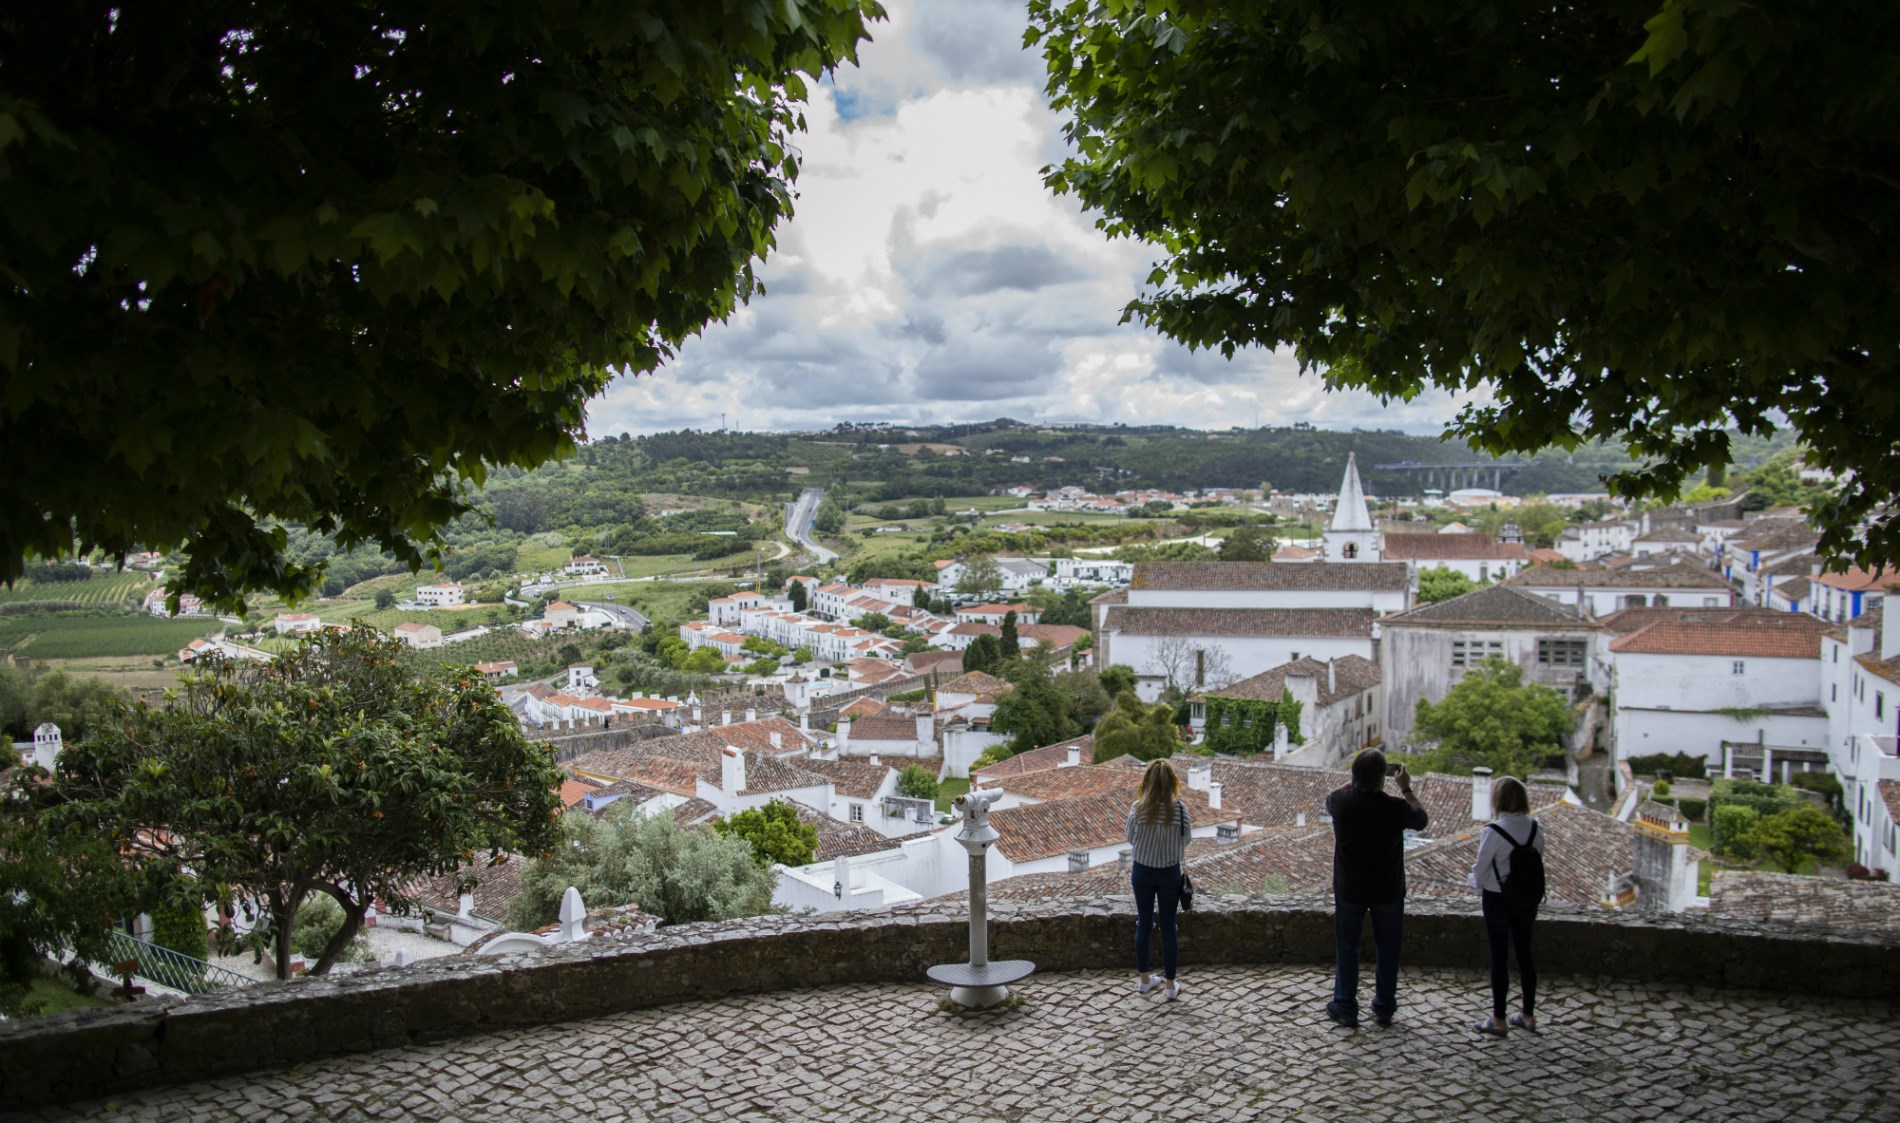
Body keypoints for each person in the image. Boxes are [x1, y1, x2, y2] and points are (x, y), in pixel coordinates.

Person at [1325, 748, 1428, 1028]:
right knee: (1388, 948)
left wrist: (1354, 781)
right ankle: (1384, 1006)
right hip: (1387, 889)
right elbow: (1421, 819)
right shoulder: (1395, 808)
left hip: (1350, 888)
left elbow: (1331, 798)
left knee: (1347, 946)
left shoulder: (1341, 803)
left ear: (1354, 775)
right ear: (1385, 777)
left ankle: (1345, 1004)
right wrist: (1406, 788)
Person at [1470, 775, 1545, 1037]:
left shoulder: (1493, 831)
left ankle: (1499, 1019)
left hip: (1497, 898)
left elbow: (1480, 872)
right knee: (1525, 953)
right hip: (1526, 898)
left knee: (1499, 956)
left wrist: (1474, 881)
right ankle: (1528, 1014)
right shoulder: (1536, 828)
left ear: (1497, 800)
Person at [1125, 759, 1191, 1001]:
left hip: (1142, 871)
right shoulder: (1180, 811)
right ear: (1172, 783)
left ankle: (1144, 981)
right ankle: (1171, 985)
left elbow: (1130, 838)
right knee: (1168, 926)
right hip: (1169, 873)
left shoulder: (1137, 809)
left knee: (1144, 923)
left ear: (1147, 782)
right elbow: (1186, 840)